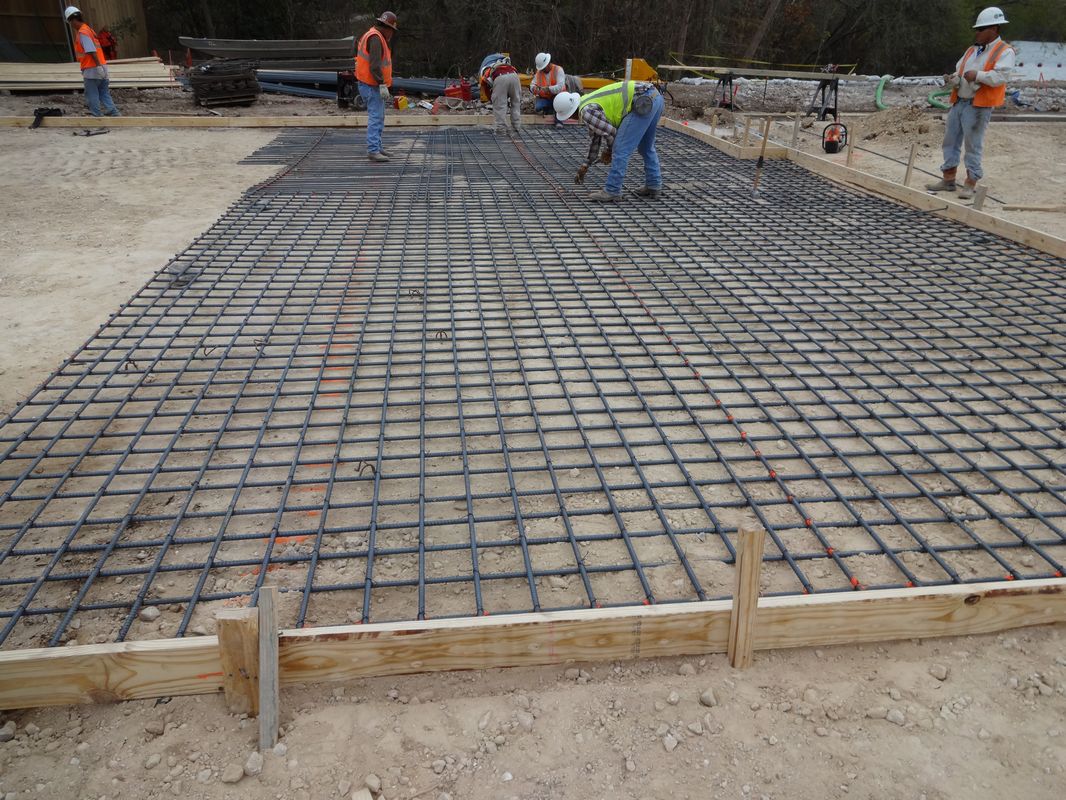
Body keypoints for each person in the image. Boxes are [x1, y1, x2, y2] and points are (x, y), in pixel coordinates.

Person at [926, 6, 1015, 200]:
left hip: (978, 105)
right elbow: (960, 71)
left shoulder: (1004, 51)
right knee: (950, 141)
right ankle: (948, 179)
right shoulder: (972, 50)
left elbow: (1001, 76)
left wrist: (978, 75)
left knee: (973, 145)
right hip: (959, 102)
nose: (977, 33)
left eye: (981, 29)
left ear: (994, 29)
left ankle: (970, 183)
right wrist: (954, 79)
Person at [553, 81, 664, 202]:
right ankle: (654, 184)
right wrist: (586, 164)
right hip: (655, 98)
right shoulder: (587, 103)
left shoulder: (586, 112)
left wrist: (609, 150)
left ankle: (613, 190)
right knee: (646, 147)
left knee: (620, 148)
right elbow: (596, 139)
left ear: (570, 113)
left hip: (642, 101)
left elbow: (612, 133)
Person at [355, 11, 398, 163]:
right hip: (371, 85)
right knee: (375, 117)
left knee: (379, 116)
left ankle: (377, 147)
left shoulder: (374, 35)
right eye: (392, 30)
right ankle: (373, 150)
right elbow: (374, 66)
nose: (392, 34)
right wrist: (381, 84)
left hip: (370, 84)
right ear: (387, 28)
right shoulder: (375, 39)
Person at [64, 6, 119, 118]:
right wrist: (100, 67)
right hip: (102, 66)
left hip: (92, 68)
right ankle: (113, 112)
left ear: (73, 20)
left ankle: (96, 116)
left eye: (70, 23)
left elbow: (91, 50)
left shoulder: (83, 32)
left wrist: (97, 66)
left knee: (91, 93)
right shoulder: (89, 30)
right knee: (103, 91)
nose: (72, 26)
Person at [479, 55, 522, 134]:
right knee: (516, 102)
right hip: (515, 76)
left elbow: (487, 92)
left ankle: (500, 128)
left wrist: (492, 100)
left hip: (500, 78)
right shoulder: (502, 65)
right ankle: (516, 126)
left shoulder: (485, 76)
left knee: (500, 105)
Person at [531, 52, 566, 125]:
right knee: (538, 107)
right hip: (545, 98)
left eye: (543, 68)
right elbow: (532, 84)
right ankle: (551, 109)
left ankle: (559, 121)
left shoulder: (558, 70)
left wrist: (548, 89)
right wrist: (534, 88)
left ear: (548, 63)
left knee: (558, 104)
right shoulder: (539, 72)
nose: (542, 70)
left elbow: (560, 87)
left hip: (558, 97)